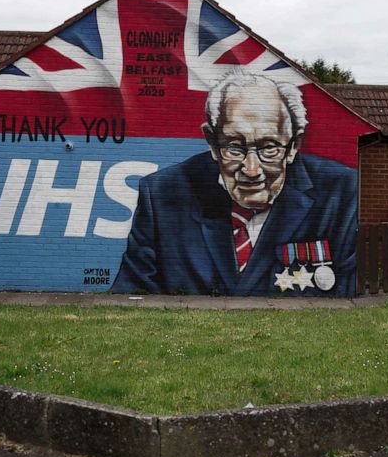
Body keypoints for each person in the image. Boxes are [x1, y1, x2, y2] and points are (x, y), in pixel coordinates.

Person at [111, 71, 358, 297]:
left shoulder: (341, 192)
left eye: (269, 148)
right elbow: (132, 296)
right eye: (234, 147)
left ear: (293, 146)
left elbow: (346, 299)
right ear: (212, 142)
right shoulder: (163, 193)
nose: (251, 170)